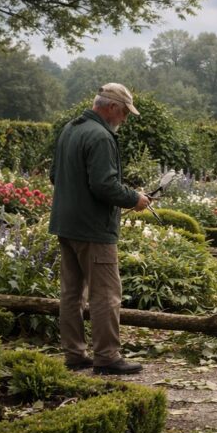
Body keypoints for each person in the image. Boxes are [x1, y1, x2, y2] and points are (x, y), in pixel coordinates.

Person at [49, 83, 150, 374]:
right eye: (125, 113)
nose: (125, 119)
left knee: (71, 294)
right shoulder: (101, 136)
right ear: (112, 107)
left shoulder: (70, 129)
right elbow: (104, 185)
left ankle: (74, 354)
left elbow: (56, 176)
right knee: (106, 294)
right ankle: (107, 357)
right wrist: (136, 198)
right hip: (93, 230)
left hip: (65, 226)